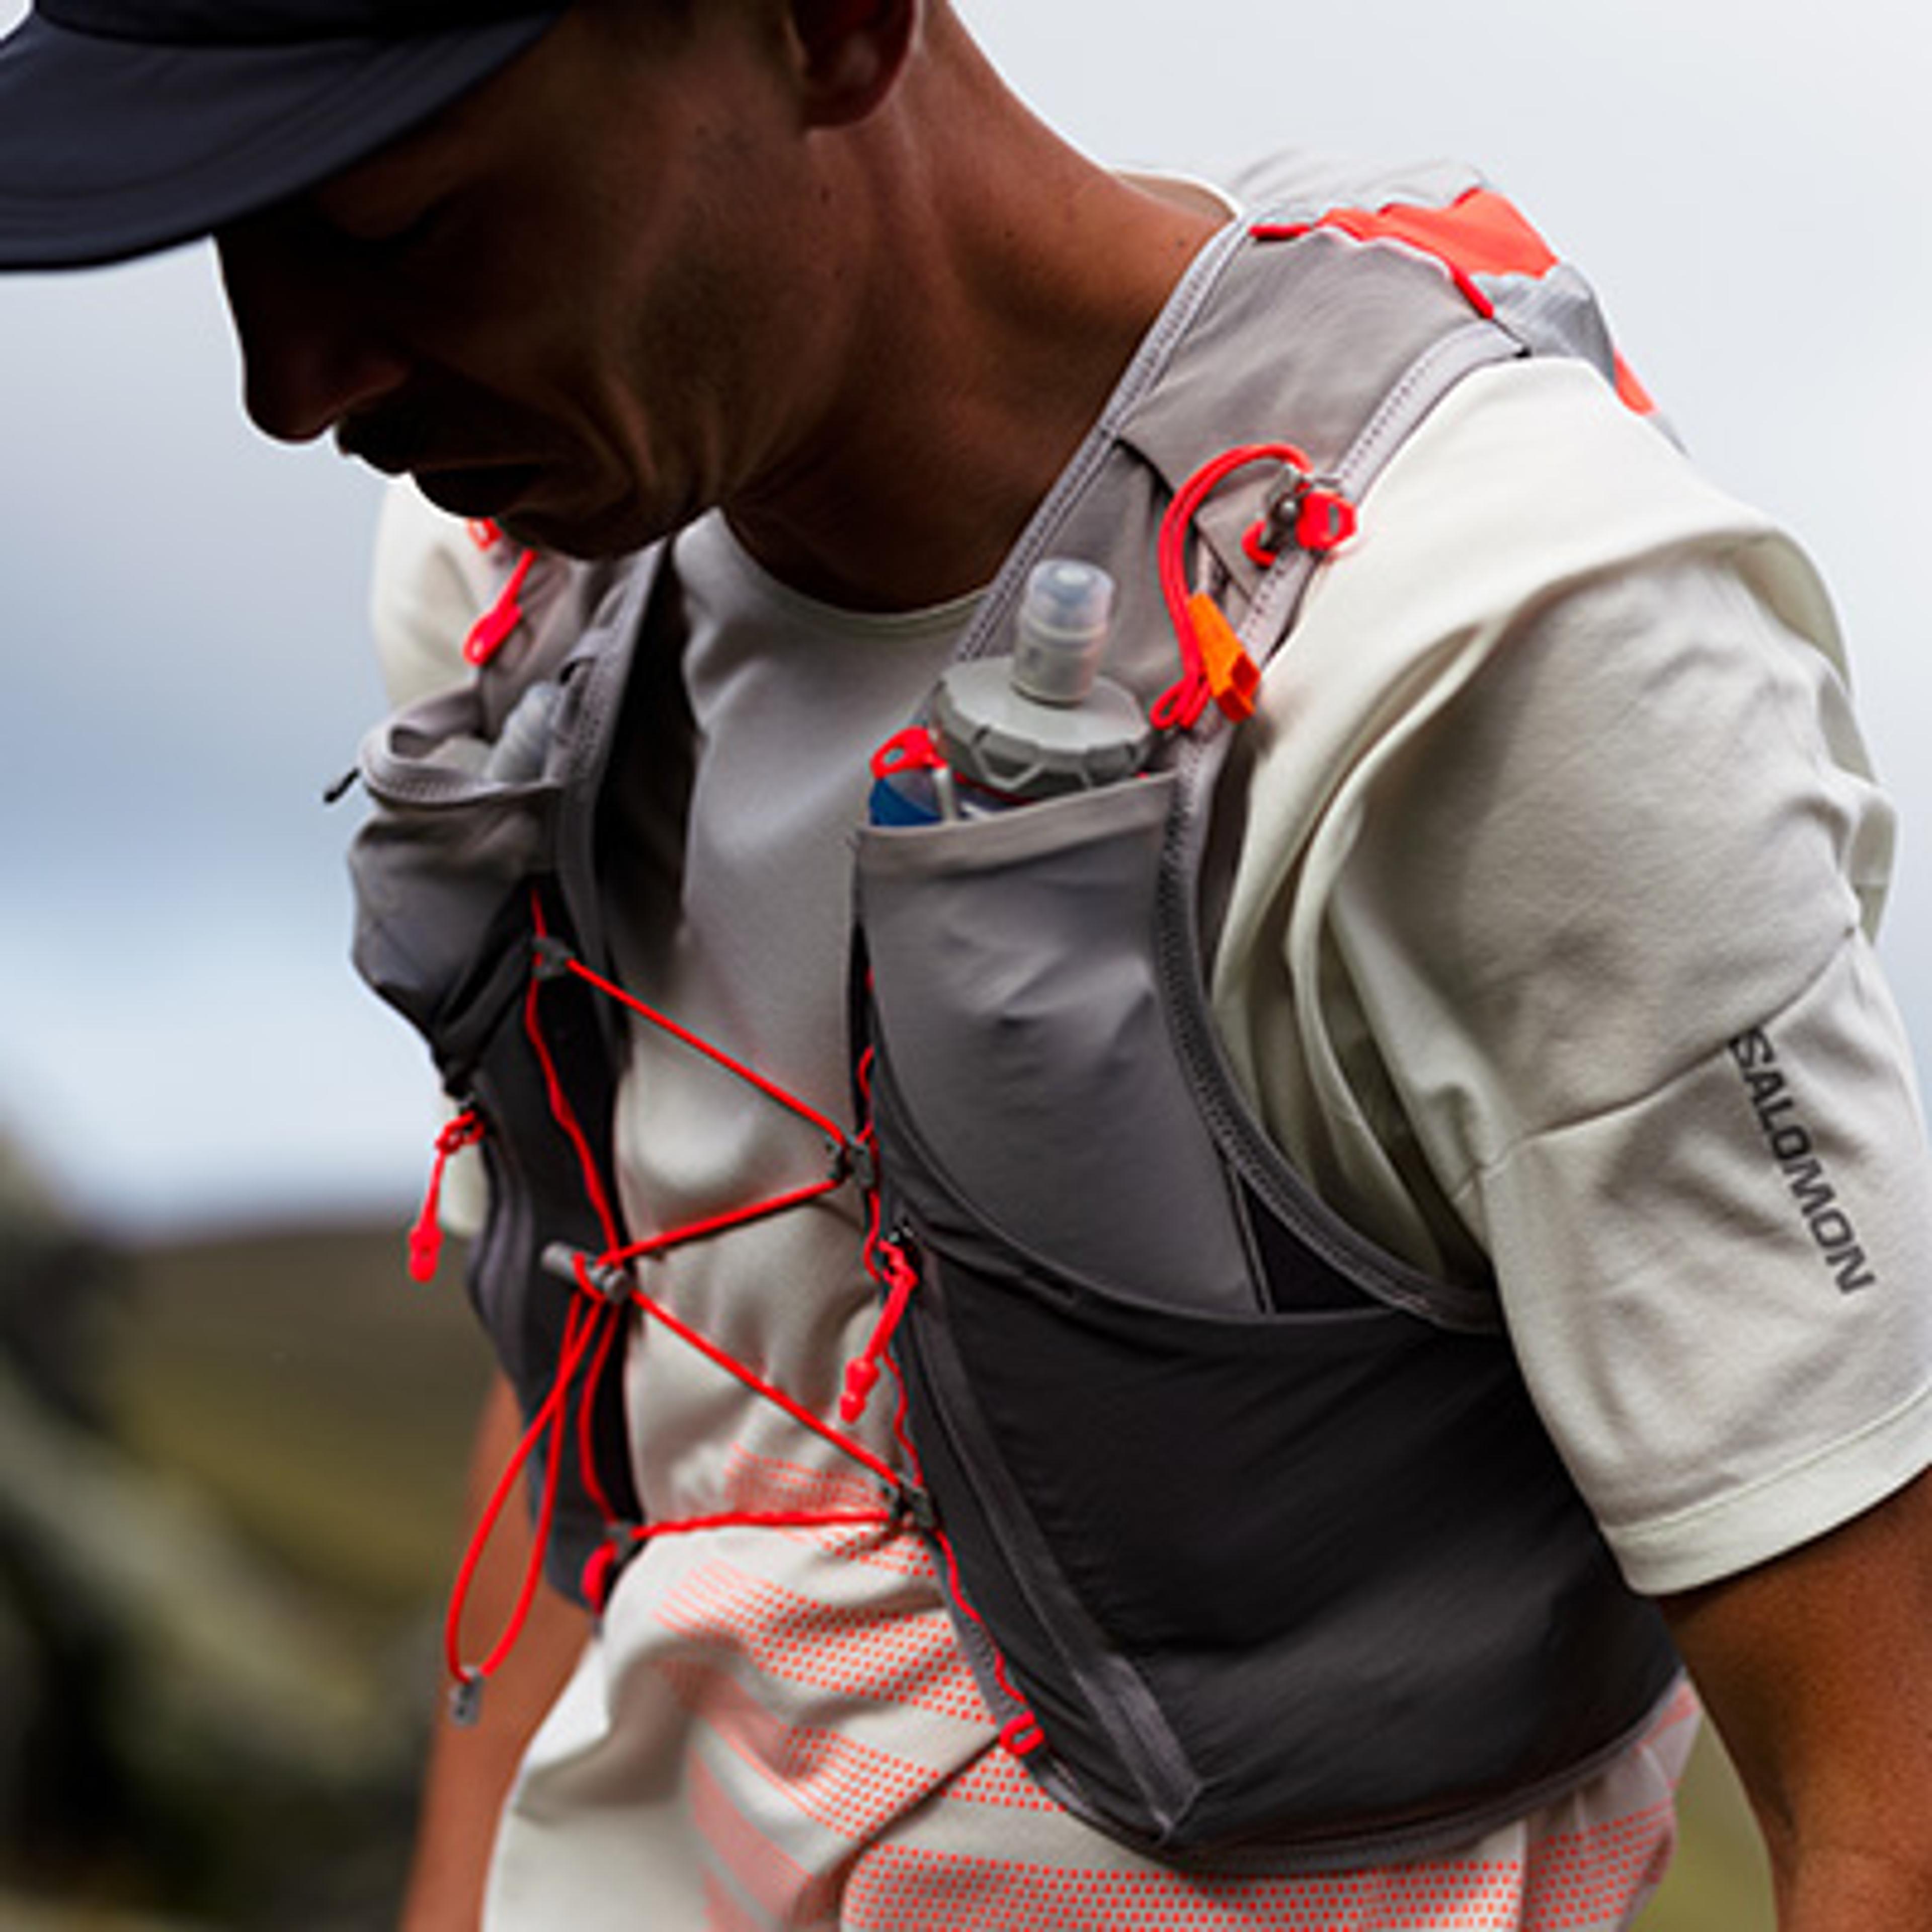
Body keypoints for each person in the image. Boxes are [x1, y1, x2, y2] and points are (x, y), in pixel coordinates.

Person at [5, 4, 1932, 1929]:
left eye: (405, 217)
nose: (290, 382)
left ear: (829, 28)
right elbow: (626, 1415)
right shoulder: (519, 602)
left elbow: (1888, 1791)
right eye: (236, 229)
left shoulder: (1491, 665)